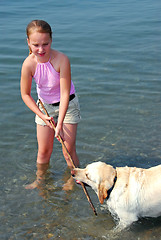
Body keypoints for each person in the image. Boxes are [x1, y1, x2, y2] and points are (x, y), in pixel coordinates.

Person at [20, 20, 81, 189]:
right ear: (28, 43)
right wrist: (42, 116)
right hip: (44, 108)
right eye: (36, 45)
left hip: (67, 105)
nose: (41, 49)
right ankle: (40, 181)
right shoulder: (28, 64)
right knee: (43, 152)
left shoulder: (62, 59)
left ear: (51, 40)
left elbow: (64, 93)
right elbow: (25, 94)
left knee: (67, 151)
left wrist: (59, 123)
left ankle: (74, 180)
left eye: (45, 44)